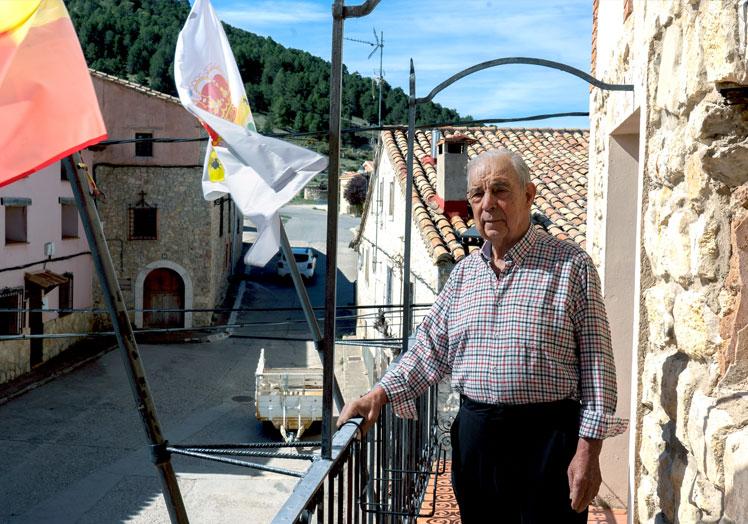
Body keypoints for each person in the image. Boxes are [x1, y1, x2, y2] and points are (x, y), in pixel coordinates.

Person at [337, 148, 627, 523]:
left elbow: (598, 367)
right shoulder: (464, 275)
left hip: (549, 442)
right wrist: (379, 393)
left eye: (500, 190)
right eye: (477, 194)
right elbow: (428, 347)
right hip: (476, 441)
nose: (488, 204)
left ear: (529, 195)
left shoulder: (572, 265)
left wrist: (588, 451)